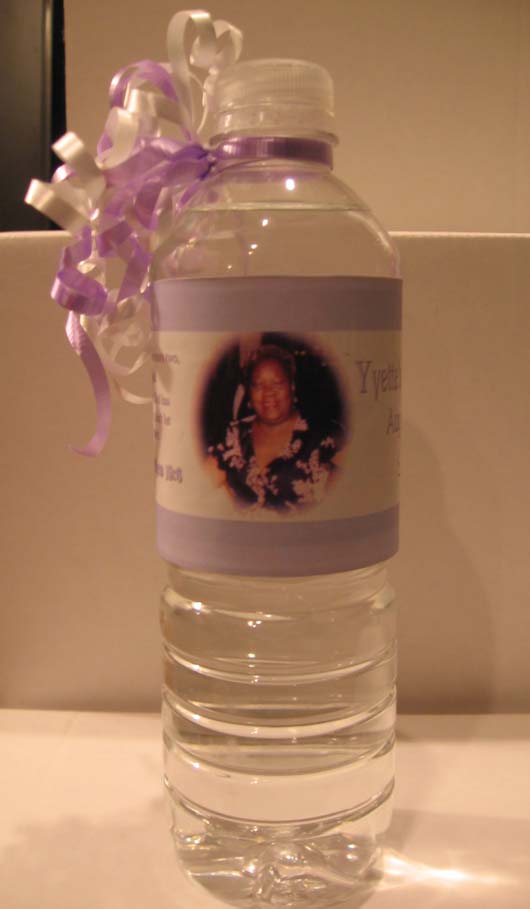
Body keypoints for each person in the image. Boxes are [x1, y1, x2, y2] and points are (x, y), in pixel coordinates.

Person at [205, 344, 343, 512]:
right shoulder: (232, 436)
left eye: (277, 383)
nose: (268, 392)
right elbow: (199, 484)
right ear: (249, 392)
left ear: (292, 386)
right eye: (258, 385)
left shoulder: (323, 437)